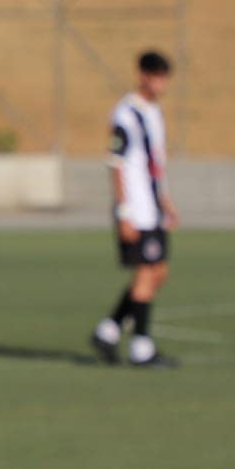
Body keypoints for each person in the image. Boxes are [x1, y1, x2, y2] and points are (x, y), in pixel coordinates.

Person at [90, 50, 180, 367]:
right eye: (156, 76)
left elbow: (154, 163)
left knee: (159, 273)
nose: (161, 83)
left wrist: (166, 201)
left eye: (164, 77)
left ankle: (110, 329)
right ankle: (141, 347)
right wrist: (123, 212)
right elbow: (117, 164)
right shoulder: (126, 114)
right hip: (136, 210)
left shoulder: (153, 112)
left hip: (153, 208)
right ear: (142, 75)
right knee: (146, 274)